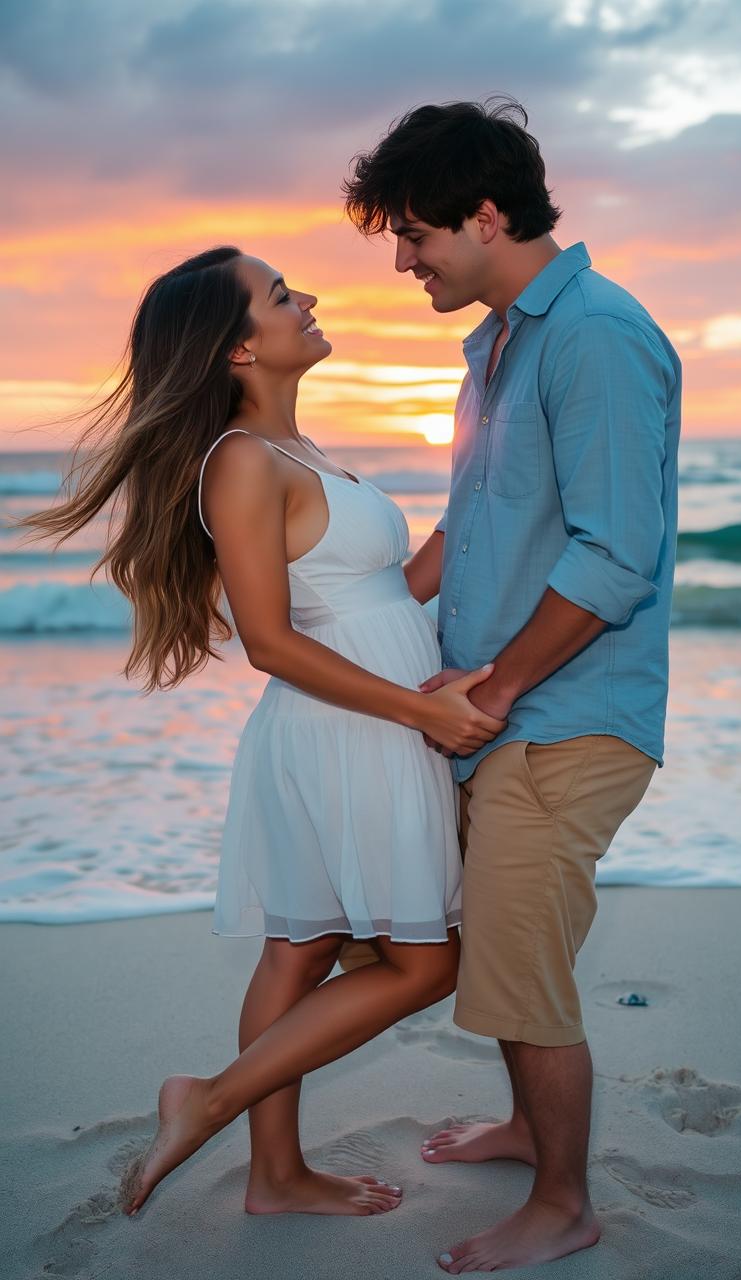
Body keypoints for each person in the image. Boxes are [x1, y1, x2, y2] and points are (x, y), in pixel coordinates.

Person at [19, 246, 506, 1218]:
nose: (310, 299)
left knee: (300, 948)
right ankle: (209, 1102)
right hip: (345, 731)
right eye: (282, 295)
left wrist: (479, 503)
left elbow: (376, 595)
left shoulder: (301, 453)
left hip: (366, 723)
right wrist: (422, 711)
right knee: (424, 964)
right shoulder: (241, 462)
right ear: (239, 347)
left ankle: (274, 1174)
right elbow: (272, 642)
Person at [342, 97, 681, 1271]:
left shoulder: (592, 334)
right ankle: (522, 1127)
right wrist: (364, 597)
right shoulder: (497, 346)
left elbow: (612, 554)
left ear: (485, 215)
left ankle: (564, 1197)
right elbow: (471, 528)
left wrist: (495, 687)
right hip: (502, 714)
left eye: (415, 234)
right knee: (505, 936)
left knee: (521, 962)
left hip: (566, 714)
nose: (401, 260)